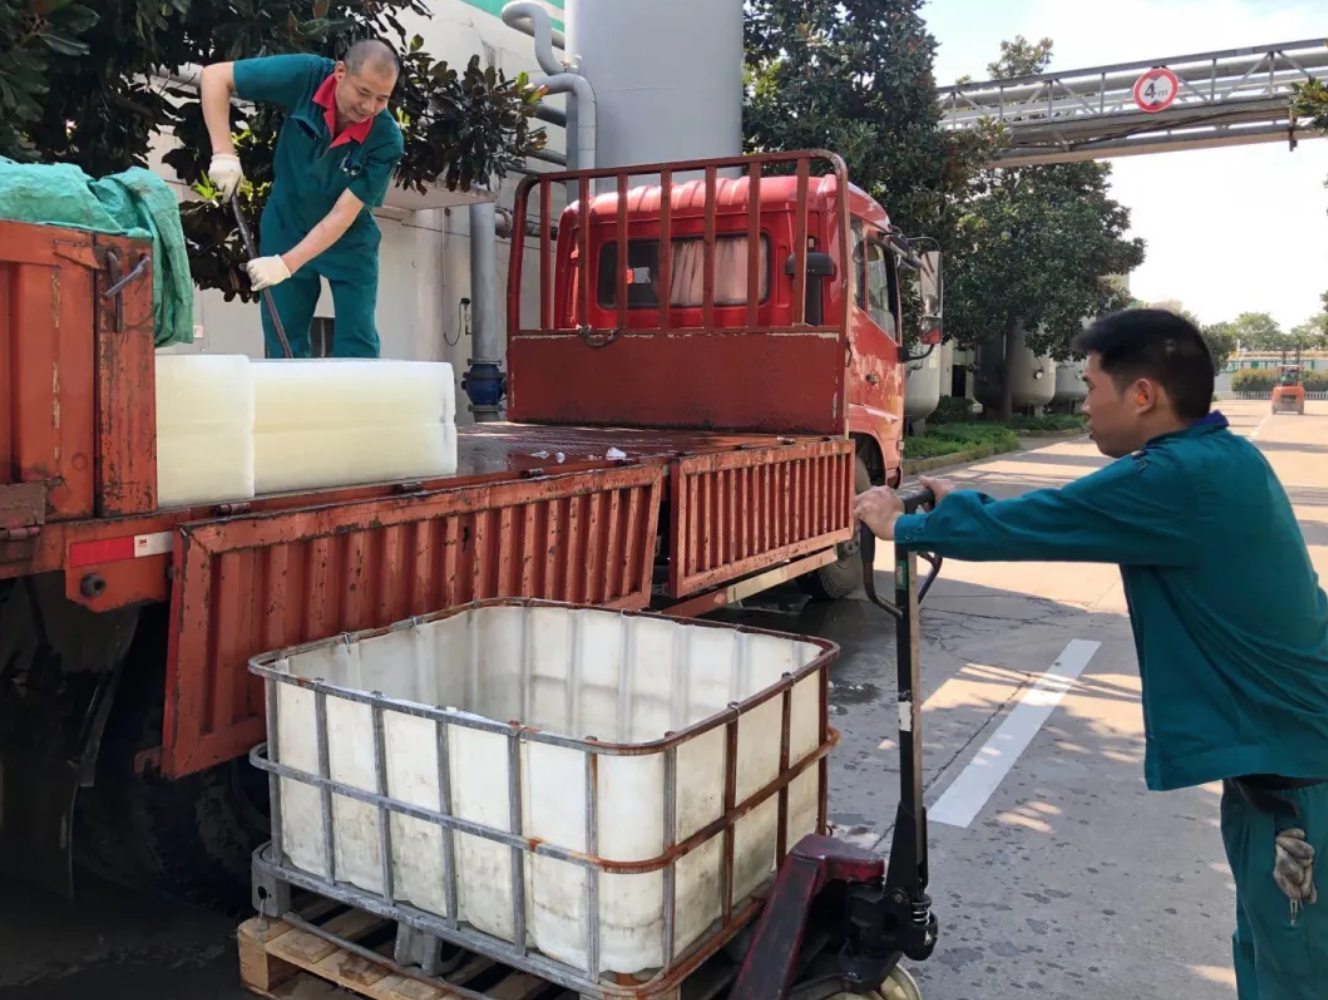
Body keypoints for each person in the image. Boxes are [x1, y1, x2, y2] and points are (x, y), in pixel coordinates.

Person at [855, 309, 1328, 999]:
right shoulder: (1216, 459)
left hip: (1301, 779)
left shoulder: (1179, 476)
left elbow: (1041, 525)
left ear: (1143, 395)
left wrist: (901, 525)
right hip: (1280, 770)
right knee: (1266, 948)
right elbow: (1067, 510)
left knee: (1298, 971)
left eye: (1092, 385)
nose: (1083, 404)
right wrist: (961, 502)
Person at [199, 39, 405, 358]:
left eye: (382, 99)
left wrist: (286, 264)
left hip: (349, 240)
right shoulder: (307, 76)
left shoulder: (386, 140)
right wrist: (223, 152)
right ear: (340, 72)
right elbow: (215, 77)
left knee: (358, 342)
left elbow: (342, 216)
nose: (368, 107)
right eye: (363, 92)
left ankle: (359, 391)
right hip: (287, 223)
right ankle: (289, 392)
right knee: (284, 339)